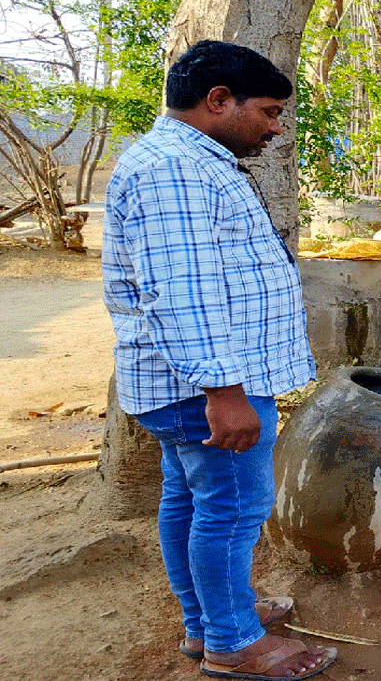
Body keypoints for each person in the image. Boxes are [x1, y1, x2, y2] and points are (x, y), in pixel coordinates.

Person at [103, 40, 336, 680]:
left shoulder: (187, 161)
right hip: (205, 388)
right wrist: (224, 393)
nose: (276, 128)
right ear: (218, 100)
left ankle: (206, 621)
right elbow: (182, 291)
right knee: (231, 511)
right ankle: (232, 641)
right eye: (269, 112)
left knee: (190, 501)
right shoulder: (174, 169)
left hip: (192, 382)